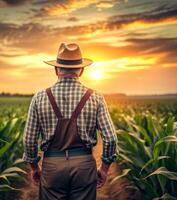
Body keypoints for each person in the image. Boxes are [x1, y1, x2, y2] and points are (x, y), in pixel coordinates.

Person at [23, 42, 117, 200]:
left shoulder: (39, 97)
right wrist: (105, 168)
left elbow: (29, 139)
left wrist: (34, 168)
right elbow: (111, 138)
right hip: (84, 166)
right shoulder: (96, 97)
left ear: (56, 69)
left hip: (52, 166)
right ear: (81, 70)